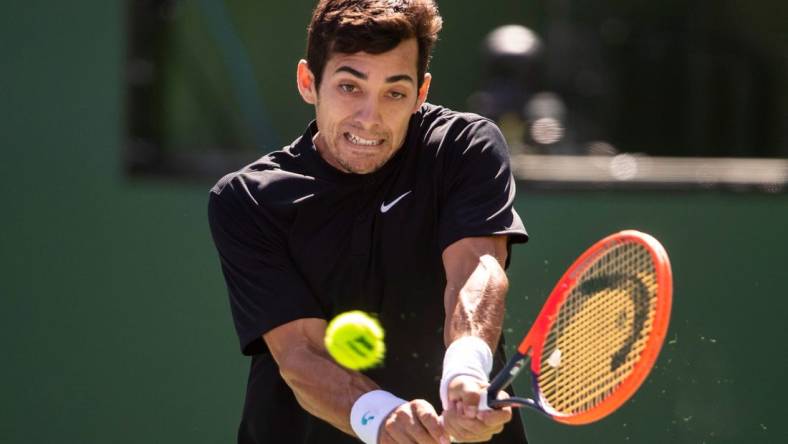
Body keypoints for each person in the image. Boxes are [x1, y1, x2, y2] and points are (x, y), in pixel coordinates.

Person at [208, 1, 529, 442]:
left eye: (394, 92)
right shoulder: (248, 200)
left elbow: (477, 271)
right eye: (349, 87)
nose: (370, 117)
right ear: (308, 82)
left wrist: (467, 373)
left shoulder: (463, 148)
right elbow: (300, 354)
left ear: (421, 92)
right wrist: (382, 419)